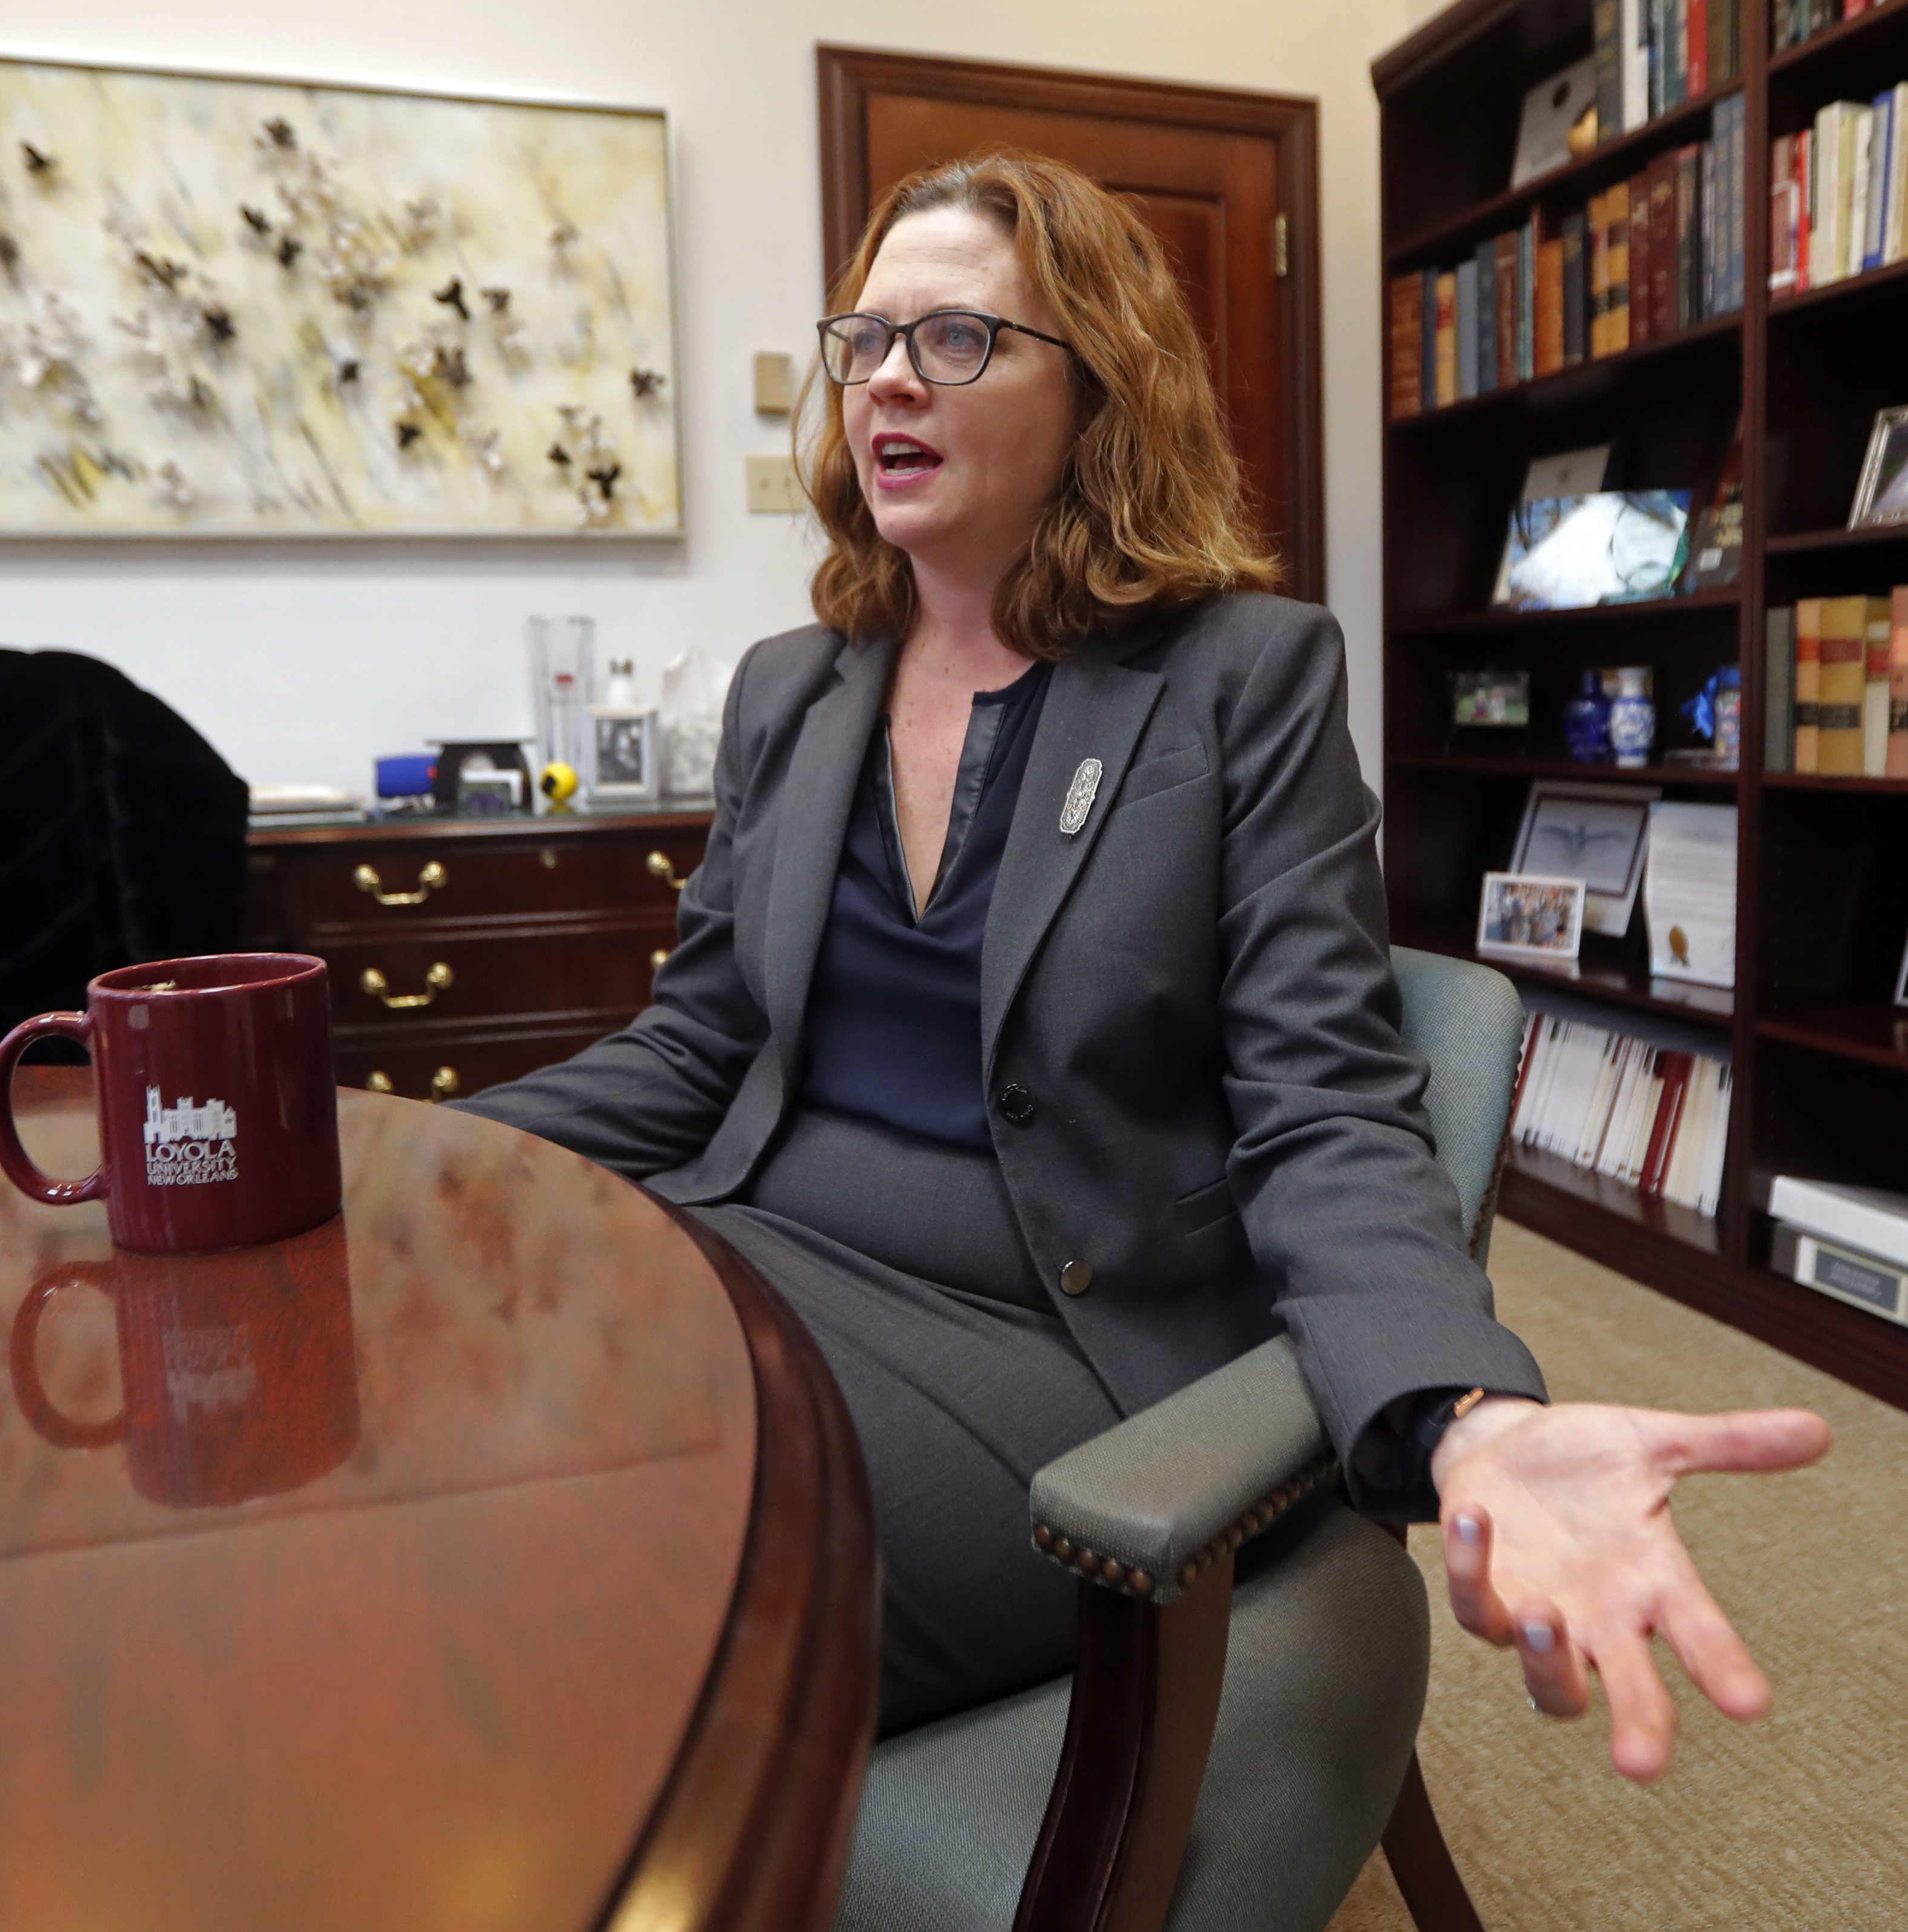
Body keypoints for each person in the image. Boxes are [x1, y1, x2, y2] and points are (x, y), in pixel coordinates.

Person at [461, 150, 1827, 1783]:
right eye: (866, 340)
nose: (889, 376)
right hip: (752, 1254)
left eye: (957, 339)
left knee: (601, 1598)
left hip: (1058, 1339)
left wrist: (1470, 1414)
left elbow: (1328, 1106)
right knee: (451, 1454)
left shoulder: (1242, 679)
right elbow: (697, 1048)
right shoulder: (792, 691)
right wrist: (409, 1160)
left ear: (1099, 391)